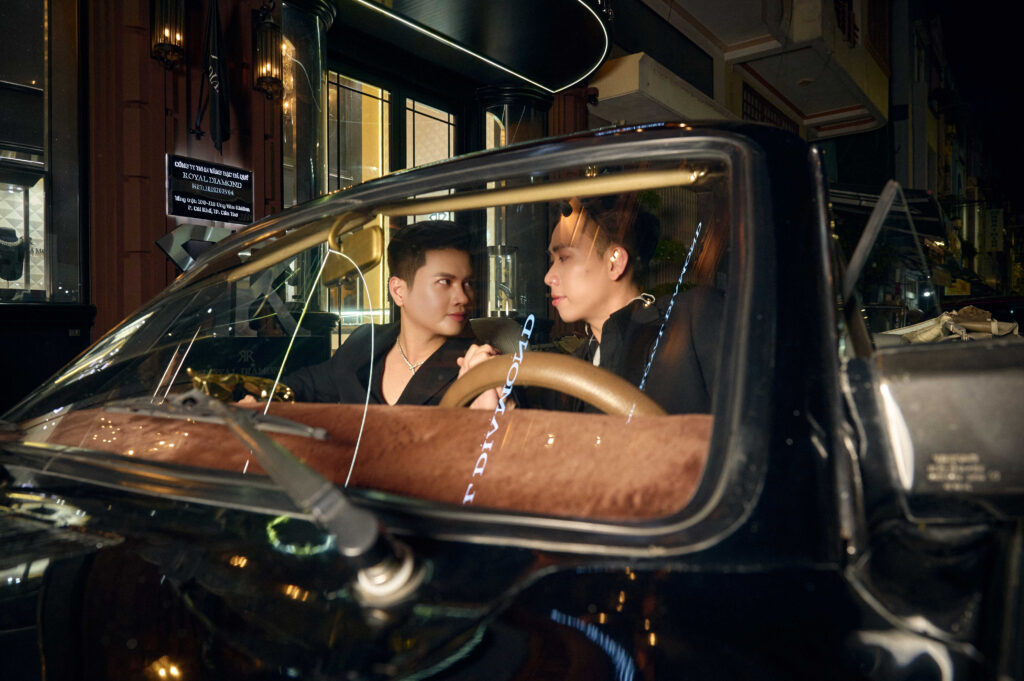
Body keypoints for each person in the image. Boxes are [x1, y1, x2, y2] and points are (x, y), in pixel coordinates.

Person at [459, 194, 722, 414]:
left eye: (564, 258)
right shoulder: (569, 373)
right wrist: (503, 402)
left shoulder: (693, 322)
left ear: (614, 262)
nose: (548, 277)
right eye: (551, 261)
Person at [284, 219, 478, 405]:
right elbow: (302, 386)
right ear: (398, 291)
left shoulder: (478, 364)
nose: (463, 298)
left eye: (468, 283)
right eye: (445, 282)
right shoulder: (365, 342)